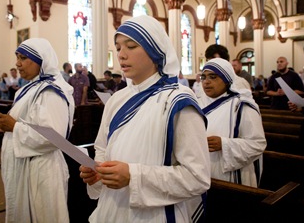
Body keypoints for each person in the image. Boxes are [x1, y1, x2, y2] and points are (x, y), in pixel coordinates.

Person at [79, 15, 210, 223]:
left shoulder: (177, 101)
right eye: (118, 47)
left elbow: (197, 177)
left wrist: (133, 175)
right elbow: (102, 148)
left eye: (131, 46)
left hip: (155, 215)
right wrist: (98, 172)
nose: (121, 55)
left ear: (155, 50)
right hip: (111, 209)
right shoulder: (117, 100)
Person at [0, 38, 75, 222]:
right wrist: (3, 124)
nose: (17, 63)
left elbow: (54, 137)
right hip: (23, 166)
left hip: (41, 170)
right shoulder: (27, 89)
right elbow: (21, 122)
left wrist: (13, 126)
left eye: (23, 58)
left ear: (41, 60)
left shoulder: (51, 92)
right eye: (17, 57)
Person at [198, 58, 266, 187]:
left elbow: (258, 144)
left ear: (227, 79)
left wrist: (224, 144)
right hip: (203, 173)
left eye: (213, 77)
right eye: (203, 77)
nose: (206, 82)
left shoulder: (242, 106)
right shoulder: (198, 104)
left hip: (232, 177)